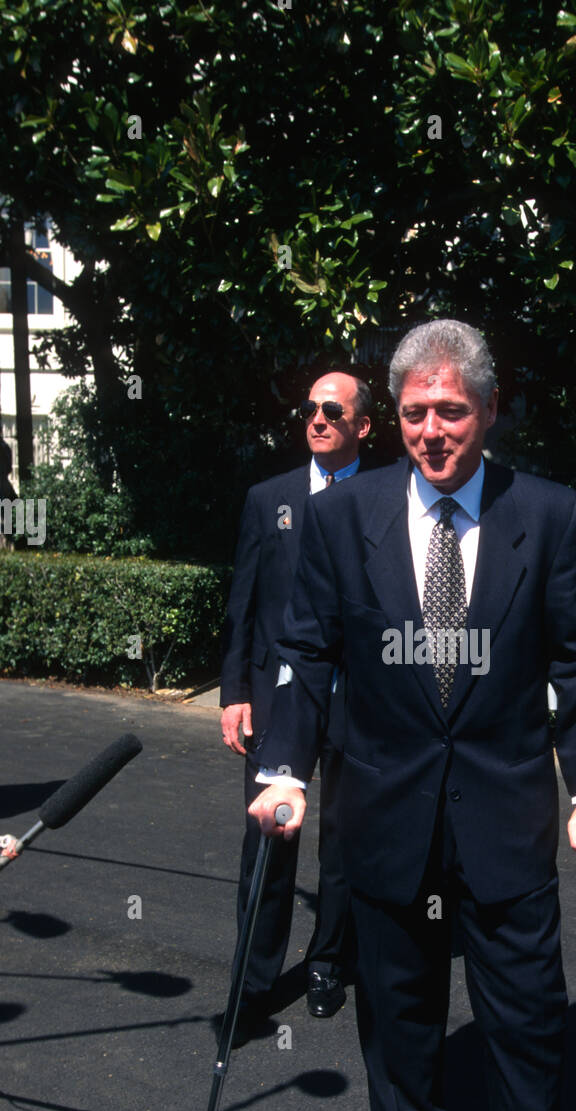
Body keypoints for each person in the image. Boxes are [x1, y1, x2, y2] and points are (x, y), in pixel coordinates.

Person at [249, 320, 576, 1111]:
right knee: (400, 1005)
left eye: (451, 410)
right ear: (396, 420)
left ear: (490, 411)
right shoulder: (343, 516)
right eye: (415, 412)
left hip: (505, 812)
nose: (432, 430)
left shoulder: (544, 514)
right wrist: (285, 771)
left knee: (529, 1005)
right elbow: (302, 649)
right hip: (384, 809)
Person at [219, 372, 373, 1039]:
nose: (316, 419)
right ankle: (250, 982)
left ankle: (327, 964)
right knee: (268, 843)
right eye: (308, 409)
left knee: (343, 843)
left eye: (333, 411)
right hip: (275, 699)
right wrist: (234, 693)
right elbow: (243, 605)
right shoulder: (267, 499)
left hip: (357, 701)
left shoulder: (387, 499)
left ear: (362, 426)